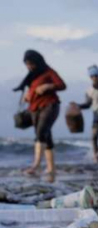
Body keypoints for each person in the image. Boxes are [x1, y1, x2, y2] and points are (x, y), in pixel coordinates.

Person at [13, 50, 66, 183]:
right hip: (35, 108)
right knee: (46, 137)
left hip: (50, 106)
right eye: (27, 64)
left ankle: (35, 166)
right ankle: (51, 168)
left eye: (31, 63)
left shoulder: (49, 72)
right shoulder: (31, 76)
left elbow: (62, 85)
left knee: (41, 133)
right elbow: (31, 90)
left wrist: (48, 86)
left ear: (37, 61)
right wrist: (28, 96)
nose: (29, 67)